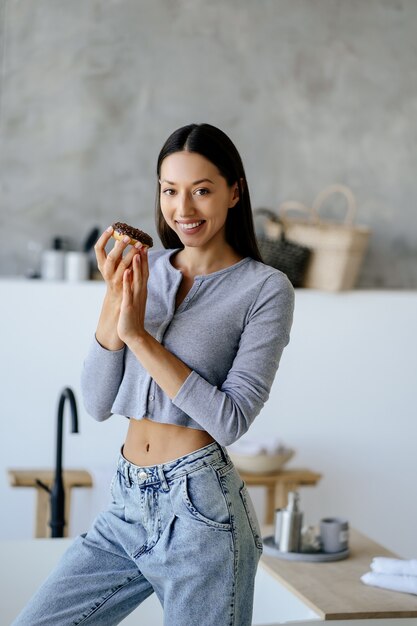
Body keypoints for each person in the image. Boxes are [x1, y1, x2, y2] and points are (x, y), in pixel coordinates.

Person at [13, 123, 294, 626]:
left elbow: (230, 421)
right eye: (170, 191)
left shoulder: (264, 289)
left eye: (201, 191)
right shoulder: (147, 267)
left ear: (234, 191)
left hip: (202, 514)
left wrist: (140, 335)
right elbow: (98, 403)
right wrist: (114, 303)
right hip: (126, 502)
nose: (183, 209)